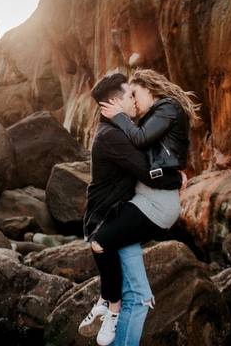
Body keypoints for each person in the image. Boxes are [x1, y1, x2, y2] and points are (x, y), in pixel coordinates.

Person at [89, 68, 200, 345]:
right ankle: (109, 304)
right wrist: (175, 175)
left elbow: (147, 163)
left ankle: (110, 307)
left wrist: (175, 176)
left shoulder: (151, 116)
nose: (135, 101)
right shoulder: (119, 131)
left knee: (135, 292)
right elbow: (145, 164)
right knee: (135, 290)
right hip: (136, 205)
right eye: (131, 95)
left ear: (149, 90)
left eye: (135, 94)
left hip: (149, 205)